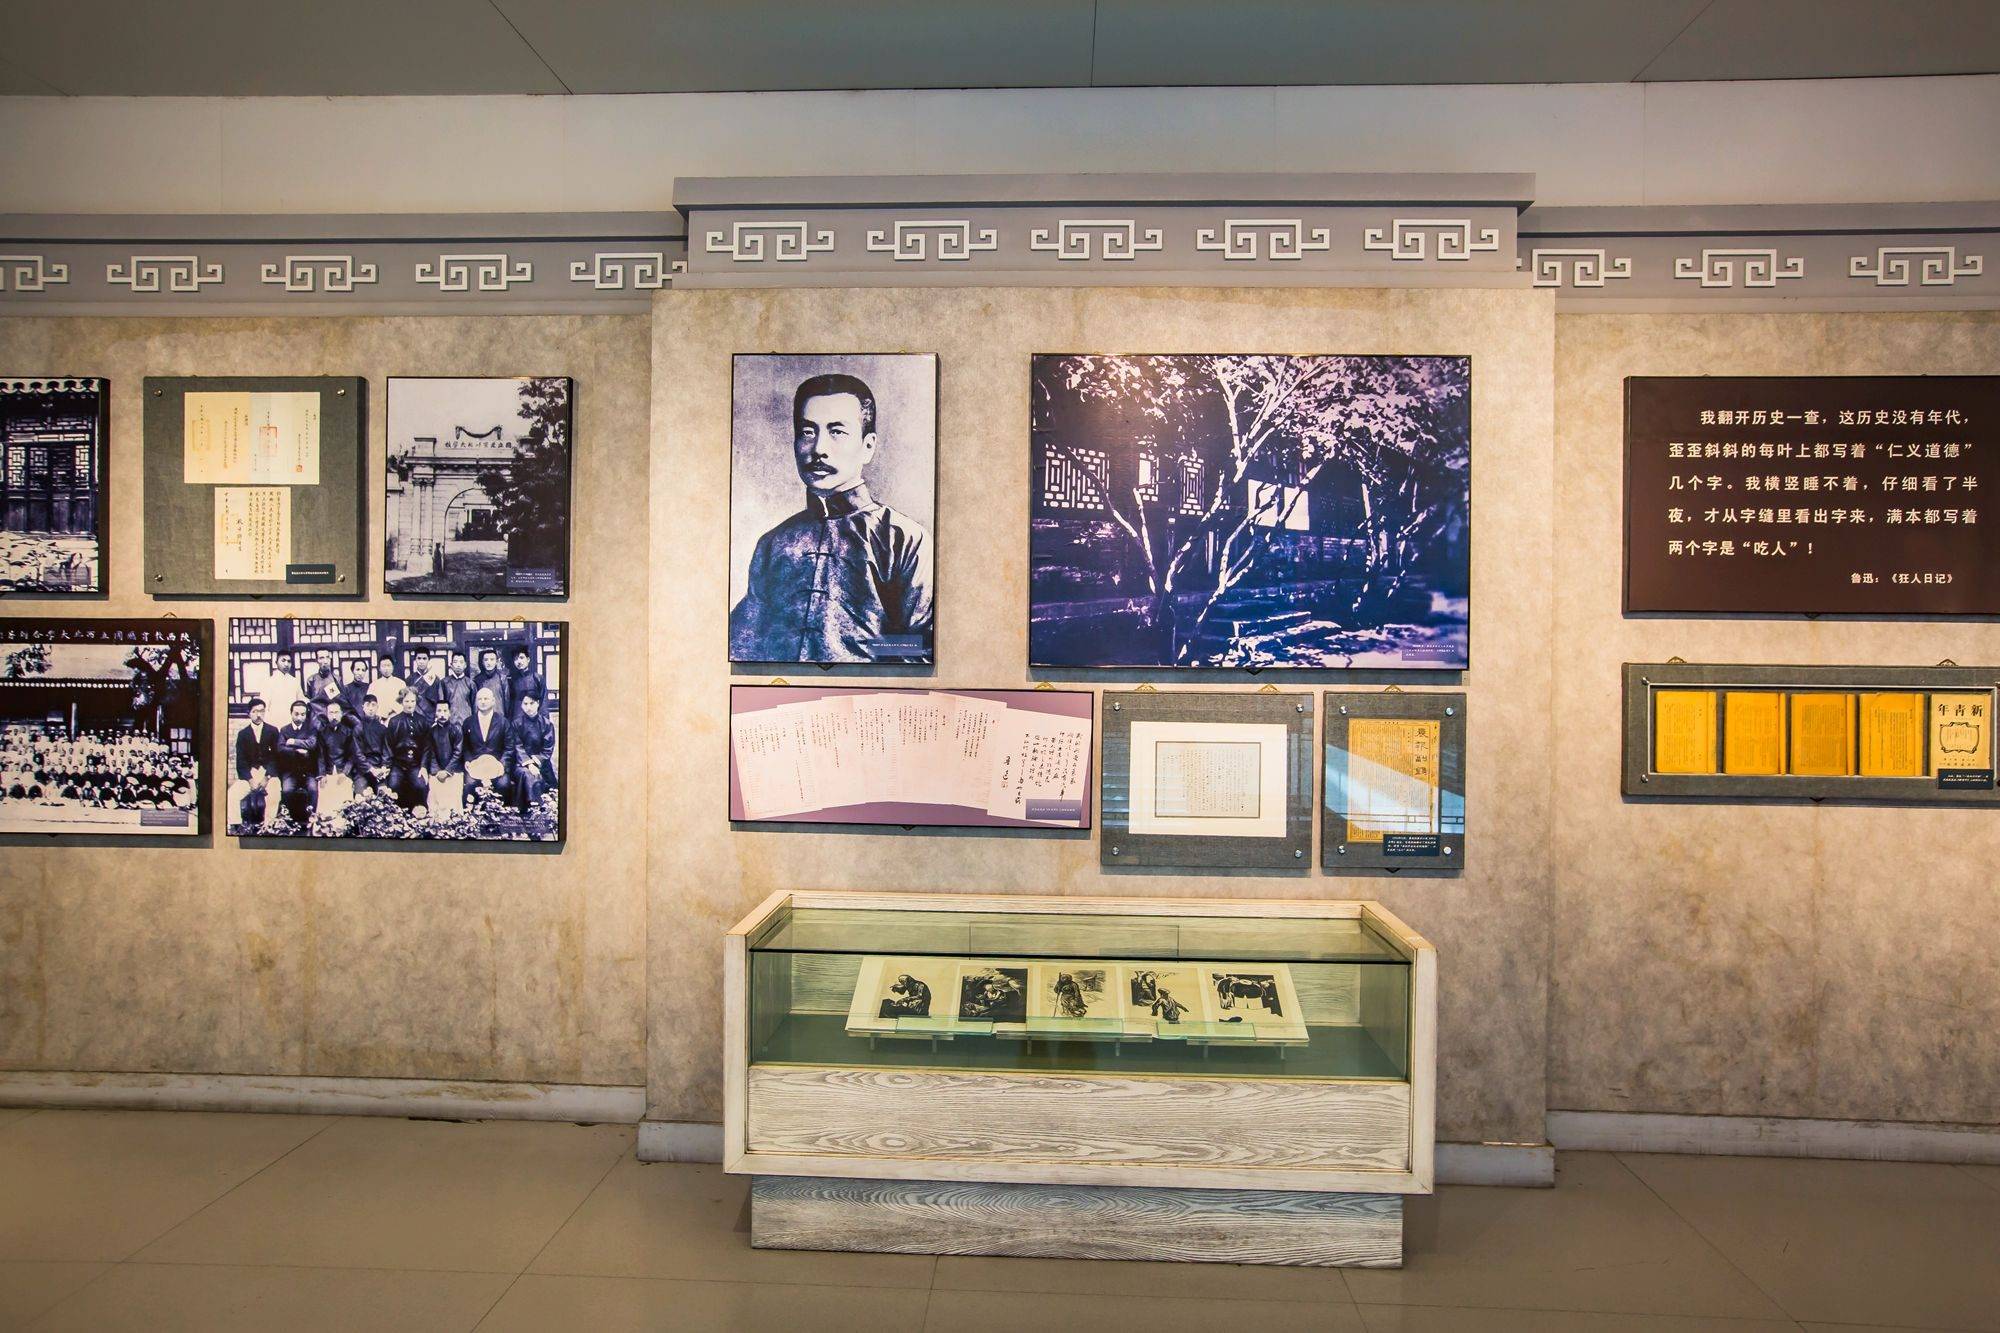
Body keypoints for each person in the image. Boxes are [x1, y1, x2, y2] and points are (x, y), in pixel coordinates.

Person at [729, 373, 934, 664]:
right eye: (807, 432)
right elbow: (742, 646)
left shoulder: (904, 539)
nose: (819, 449)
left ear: (868, 446)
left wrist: (858, 652)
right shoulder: (774, 544)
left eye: (837, 431)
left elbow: (923, 648)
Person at [231, 699, 281, 828]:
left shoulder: (273, 731)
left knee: (275, 792)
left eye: (262, 711)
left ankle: (269, 826)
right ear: (248, 713)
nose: (259, 715)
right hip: (251, 773)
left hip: (268, 773)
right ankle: (235, 826)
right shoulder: (243, 734)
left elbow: (276, 757)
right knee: (232, 794)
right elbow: (241, 761)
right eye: (255, 711)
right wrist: (250, 780)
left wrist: (267, 777)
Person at [271, 699, 319, 826]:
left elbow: (312, 744)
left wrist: (293, 742)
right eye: (296, 714)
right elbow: (280, 748)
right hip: (290, 771)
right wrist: (298, 751)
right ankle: (285, 819)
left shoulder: (311, 729)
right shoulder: (284, 730)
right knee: (286, 790)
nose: (299, 717)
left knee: (313, 790)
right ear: (291, 713)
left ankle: (312, 819)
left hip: (308, 771)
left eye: (303, 714)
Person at [509, 692, 557, 811]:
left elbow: (547, 749)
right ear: (521, 705)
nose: (528, 707)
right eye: (525, 704)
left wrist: (536, 762)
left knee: (550, 785)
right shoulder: (516, 724)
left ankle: (544, 808)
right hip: (521, 763)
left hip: (542, 764)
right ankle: (532, 807)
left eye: (532, 703)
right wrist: (529, 764)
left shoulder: (547, 724)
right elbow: (517, 746)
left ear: (538, 703)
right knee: (527, 774)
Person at [462, 685, 511, 803]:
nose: (483, 702)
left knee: (503, 784)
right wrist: (468, 760)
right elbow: (465, 746)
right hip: (475, 765)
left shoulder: (503, 722)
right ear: (476, 702)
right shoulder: (468, 722)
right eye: (480, 699)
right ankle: (471, 812)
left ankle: (500, 812)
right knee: (470, 783)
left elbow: (509, 747)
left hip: (497, 765)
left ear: (493, 701)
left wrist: (502, 764)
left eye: (486, 699)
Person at [384, 688, 428, 810]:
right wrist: (387, 766)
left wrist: (423, 766)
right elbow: (388, 745)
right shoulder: (394, 722)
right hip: (398, 765)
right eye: (407, 701)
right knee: (393, 785)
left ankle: (419, 814)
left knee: (420, 785)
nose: (410, 704)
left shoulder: (423, 721)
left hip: (415, 765)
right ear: (401, 702)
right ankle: (395, 815)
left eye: (412, 701)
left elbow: (427, 747)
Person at [314, 697, 358, 817]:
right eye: (331, 713)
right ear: (327, 715)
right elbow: (320, 755)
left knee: (345, 790)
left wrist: (345, 772)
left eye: (336, 712)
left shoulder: (348, 732)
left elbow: (352, 756)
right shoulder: (322, 732)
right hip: (328, 771)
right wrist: (322, 774)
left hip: (343, 770)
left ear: (341, 714)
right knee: (323, 790)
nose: (334, 716)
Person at [423, 698, 465, 820]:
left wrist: (447, 771)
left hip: (453, 770)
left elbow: (458, 752)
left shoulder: (456, 729)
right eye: (439, 711)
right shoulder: (432, 731)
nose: (442, 714)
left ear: (449, 713)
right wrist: (437, 771)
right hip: (437, 771)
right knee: (435, 794)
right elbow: (431, 753)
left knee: (453, 796)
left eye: (445, 711)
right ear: (435, 713)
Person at [351, 694, 391, 797]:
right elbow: (357, 754)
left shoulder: (383, 729)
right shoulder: (358, 728)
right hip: (362, 770)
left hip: (379, 769)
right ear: (363, 707)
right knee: (362, 796)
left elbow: (386, 751)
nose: (371, 708)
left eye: (373, 705)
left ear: (377, 707)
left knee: (385, 796)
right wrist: (371, 769)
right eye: (367, 705)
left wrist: (384, 767)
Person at [302, 650, 342, 727]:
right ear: (317, 660)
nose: (325, 661)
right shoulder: (311, 680)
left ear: (330, 659)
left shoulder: (337, 679)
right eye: (321, 658)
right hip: (316, 719)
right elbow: (310, 701)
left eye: (327, 657)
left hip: (332, 718)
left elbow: (340, 702)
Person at [259, 657, 305, 723]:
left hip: (292, 722)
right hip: (274, 721)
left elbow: (300, 701)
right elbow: (263, 706)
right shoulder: (268, 682)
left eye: (289, 661)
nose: (286, 664)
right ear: (276, 662)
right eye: (283, 661)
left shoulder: (295, 681)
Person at [505, 648, 545, 721]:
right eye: (515, 659)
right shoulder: (511, 680)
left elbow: (543, 701)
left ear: (528, 659)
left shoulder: (537, 678)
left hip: (533, 718)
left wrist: (543, 720)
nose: (519, 662)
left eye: (521, 658)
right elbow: (509, 703)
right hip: (517, 719)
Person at [473, 649, 510, 724]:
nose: (489, 662)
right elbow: (475, 702)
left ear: (496, 662)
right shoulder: (477, 680)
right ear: (482, 662)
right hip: (483, 717)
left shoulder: (502, 678)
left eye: (492, 659)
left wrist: (505, 718)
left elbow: (507, 700)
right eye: (486, 660)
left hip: (499, 717)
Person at [441, 651, 476, 727]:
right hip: (449, 721)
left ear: (465, 665)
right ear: (451, 665)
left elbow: (474, 705)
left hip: (467, 721)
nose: (458, 665)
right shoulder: (444, 682)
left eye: (461, 662)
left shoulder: (470, 683)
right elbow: (441, 704)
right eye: (455, 662)